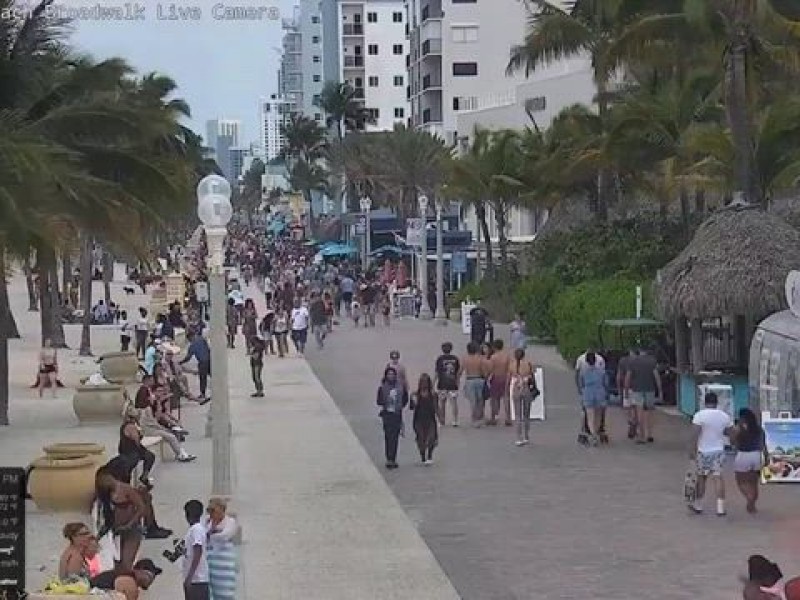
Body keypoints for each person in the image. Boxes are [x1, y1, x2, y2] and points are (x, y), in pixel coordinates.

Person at [689, 391, 733, 516]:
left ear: (704, 401)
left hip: (703, 450)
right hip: (718, 450)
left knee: (701, 478)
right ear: (716, 402)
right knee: (718, 477)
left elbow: (695, 434)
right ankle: (720, 507)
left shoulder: (699, 416)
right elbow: (730, 433)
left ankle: (698, 505)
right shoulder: (724, 416)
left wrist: (691, 450)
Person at [95, 470, 146, 572]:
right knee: (117, 565)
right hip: (116, 530)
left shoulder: (126, 489)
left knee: (127, 563)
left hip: (132, 529)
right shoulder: (106, 493)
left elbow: (141, 507)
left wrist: (130, 523)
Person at [732, 407, 767, 513]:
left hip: (743, 455)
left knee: (741, 481)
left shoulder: (739, 428)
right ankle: (752, 503)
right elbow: (763, 445)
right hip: (757, 455)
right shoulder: (759, 429)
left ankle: (749, 499)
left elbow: (733, 442)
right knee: (753, 483)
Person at [625, 348, 662, 444]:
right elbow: (656, 376)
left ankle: (641, 436)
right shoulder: (652, 361)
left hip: (637, 390)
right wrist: (660, 389)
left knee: (639, 413)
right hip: (650, 389)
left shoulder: (633, 362)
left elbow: (628, 377)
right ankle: (649, 434)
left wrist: (626, 390)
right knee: (649, 413)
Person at [204, 497, 238, 600]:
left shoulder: (230, 521)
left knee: (226, 591)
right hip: (211, 560)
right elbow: (203, 535)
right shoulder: (207, 521)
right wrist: (212, 530)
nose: (213, 514)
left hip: (225, 561)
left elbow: (225, 536)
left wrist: (211, 533)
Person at [376, 366, 409, 469]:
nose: (391, 376)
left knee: (395, 437)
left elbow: (405, 399)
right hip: (387, 414)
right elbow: (379, 401)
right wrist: (387, 402)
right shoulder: (382, 387)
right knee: (388, 436)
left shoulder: (400, 387)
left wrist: (398, 406)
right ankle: (388, 458)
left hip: (396, 414)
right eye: (389, 374)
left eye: (392, 374)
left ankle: (393, 458)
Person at [182, 499, 210, 600]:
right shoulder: (196, 529)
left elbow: (198, 552)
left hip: (197, 579)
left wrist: (190, 576)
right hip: (197, 579)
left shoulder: (196, 530)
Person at [578, 352, 607, 447]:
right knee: (598, 415)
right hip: (599, 393)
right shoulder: (601, 371)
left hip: (588, 393)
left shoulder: (584, 372)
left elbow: (581, 383)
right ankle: (597, 431)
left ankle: (593, 435)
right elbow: (605, 383)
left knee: (590, 416)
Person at [509, 347, 536, 446]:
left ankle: (518, 437)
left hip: (516, 388)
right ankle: (526, 436)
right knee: (526, 415)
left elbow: (509, 377)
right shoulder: (528, 364)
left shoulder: (511, 365)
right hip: (526, 389)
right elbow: (532, 374)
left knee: (517, 415)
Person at [411, 374, 438, 465]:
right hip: (418, 419)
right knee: (421, 438)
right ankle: (423, 456)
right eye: (422, 382)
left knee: (431, 438)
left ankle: (430, 455)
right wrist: (414, 401)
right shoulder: (415, 394)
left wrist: (440, 417)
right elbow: (411, 407)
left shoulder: (433, 394)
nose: (424, 384)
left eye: (426, 382)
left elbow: (435, 408)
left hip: (430, 419)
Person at [461, 342, 488, 427]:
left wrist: (457, 379)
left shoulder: (465, 359)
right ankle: (480, 417)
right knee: (480, 400)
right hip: (479, 379)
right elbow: (484, 371)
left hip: (470, 379)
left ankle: (474, 419)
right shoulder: (480, 359)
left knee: (473, 401)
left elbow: (460, 370)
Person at [434, 342, 461, 427]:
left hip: (442, 383)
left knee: (442, 403)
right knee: (454, 402)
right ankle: (455, 420)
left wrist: (433, 382)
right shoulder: (455, 359)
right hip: (452, 383)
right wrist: (457, 382)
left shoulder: (440, 359)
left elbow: (437, 372)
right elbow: (457, 372)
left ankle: (442, 421)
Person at [181, 333, 211, 404]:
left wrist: (180, 362)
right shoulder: (202, 339)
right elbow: (208, 348)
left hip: (202, 362)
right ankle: (218, 388)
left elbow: (188, 357)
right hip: (209, 360)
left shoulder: (192, 346)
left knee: (203, 378)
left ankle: (203, 394)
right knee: (212, 375)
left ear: (190, 338)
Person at [487, 339, 511, 426]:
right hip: (505, 378)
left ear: (494, 347)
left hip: (495, 378)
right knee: (506, 399)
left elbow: (490, 369)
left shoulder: (493, 357)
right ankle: (508, 418)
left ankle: (494, 417)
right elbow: (509, 369)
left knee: (494, 399)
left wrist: (487, 377)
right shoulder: (506, 356)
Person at [616, 349, 637, 439]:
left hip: (627, 387)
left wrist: (619, 389)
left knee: (627, 407)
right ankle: (635, 422)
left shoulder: (623, 361)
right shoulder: (639, 360)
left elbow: (619, 376)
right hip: (638, 387)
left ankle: (631, 421)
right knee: (636, 407)